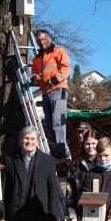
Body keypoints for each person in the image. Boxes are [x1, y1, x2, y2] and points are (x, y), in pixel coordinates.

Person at [3, 126, 64, 221]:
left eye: (33, 139)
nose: (29, 141)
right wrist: (3, 216)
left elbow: (53, 191)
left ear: (37, 141)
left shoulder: (47, 160)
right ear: (20, 140)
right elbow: (5, 190)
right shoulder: (9, 160)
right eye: (26, 138)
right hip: (16, 217)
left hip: (40, 217)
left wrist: (54, 218)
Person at [30, 29, 71, 158]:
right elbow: (35, 75)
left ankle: (61, 150)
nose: (41, 42)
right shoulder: (37, 58)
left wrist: (55, 79)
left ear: (49, 38)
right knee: (50, 122)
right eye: (39, 41)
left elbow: (65, 68)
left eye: (43, 39)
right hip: (45, 93)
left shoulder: (58, 51)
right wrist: (34, 78)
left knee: (58, 120)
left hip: (58, 89)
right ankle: (63, 149)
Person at [66, 130, 99, 221]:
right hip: (82, 214)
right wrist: (73, 216)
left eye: (94, 143)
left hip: (101, 212)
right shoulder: (75, 165)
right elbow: (70, 193)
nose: (90, 147)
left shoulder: (104, 162)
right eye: (87, 144)